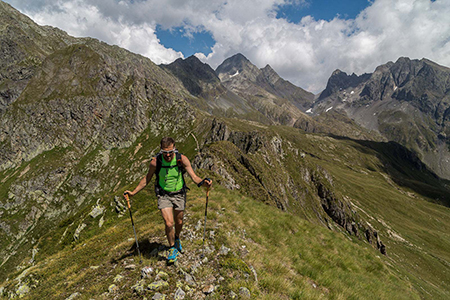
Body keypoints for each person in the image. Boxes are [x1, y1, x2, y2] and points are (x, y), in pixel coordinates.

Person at [124, 137, 212, 263]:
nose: (168, 155)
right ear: (161, 151)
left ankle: (177, 238)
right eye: (165, 152)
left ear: (174, 149)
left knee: (179, 221)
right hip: (163, 195)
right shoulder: (156, 162)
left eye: (171, 152)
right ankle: (172, 248)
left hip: (179, 194)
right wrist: (133, 192)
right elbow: (147, 179)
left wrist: (204, 183)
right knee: (169, 223)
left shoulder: (182, 159)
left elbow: (194, 177)